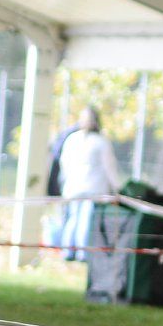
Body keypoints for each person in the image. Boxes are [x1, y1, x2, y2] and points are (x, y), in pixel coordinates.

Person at [56, 107, 122, 262]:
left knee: (73, 219)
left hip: (73, 188)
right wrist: (117, 188)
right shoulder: (101, 142)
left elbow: (63, 164)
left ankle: (67, 251)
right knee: (85, 220)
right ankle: (82, 254)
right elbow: (109, 168)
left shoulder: (71, 139)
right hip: (92, 189)